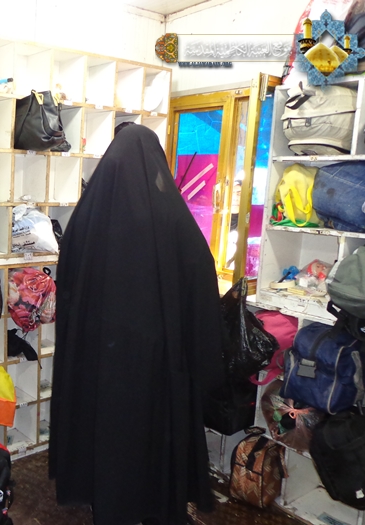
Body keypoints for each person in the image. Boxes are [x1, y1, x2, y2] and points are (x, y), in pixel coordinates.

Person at [49, 124, 225, 525]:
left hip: (100, 361)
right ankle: (154, 505)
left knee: (107, 434)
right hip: (156, 365)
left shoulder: (87, 218)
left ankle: (106, 501)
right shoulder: (173, 219)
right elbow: (201, 278)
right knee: (151, 438)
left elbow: (69, 284)